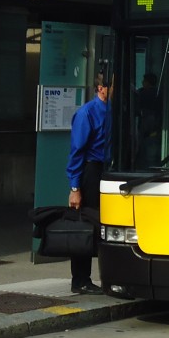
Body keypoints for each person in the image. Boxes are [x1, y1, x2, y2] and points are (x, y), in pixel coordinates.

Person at [66, 73, 111, 295]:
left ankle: (107, 276)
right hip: (92, 171)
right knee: (86, 225)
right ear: (101, 88)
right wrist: (75, 188)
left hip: (110, 169)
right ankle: (81, 279)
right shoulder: (87, 113)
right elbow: (77, 151)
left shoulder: (115, 110)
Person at [135, 72, 161, 167]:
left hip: (146, 123)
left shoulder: (142, 93)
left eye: (144, 81)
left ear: (148, 82)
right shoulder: (159, 93)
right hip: (155, 125)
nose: (142, 82)